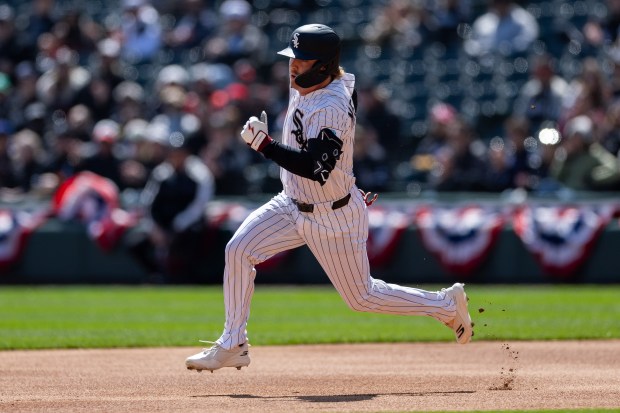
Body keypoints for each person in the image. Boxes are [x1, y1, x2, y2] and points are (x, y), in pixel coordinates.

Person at [185, 24, 473, 373]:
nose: (292, 66)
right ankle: (233, 343)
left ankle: (445, 304)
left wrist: (265, 145)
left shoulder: (330, 104)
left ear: (321, 65)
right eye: (293, 58)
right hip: (291, 202)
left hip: (331, 215)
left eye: (301, 60)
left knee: (362, 297)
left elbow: (317, 167)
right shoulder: (317, 84)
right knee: (238, 249)